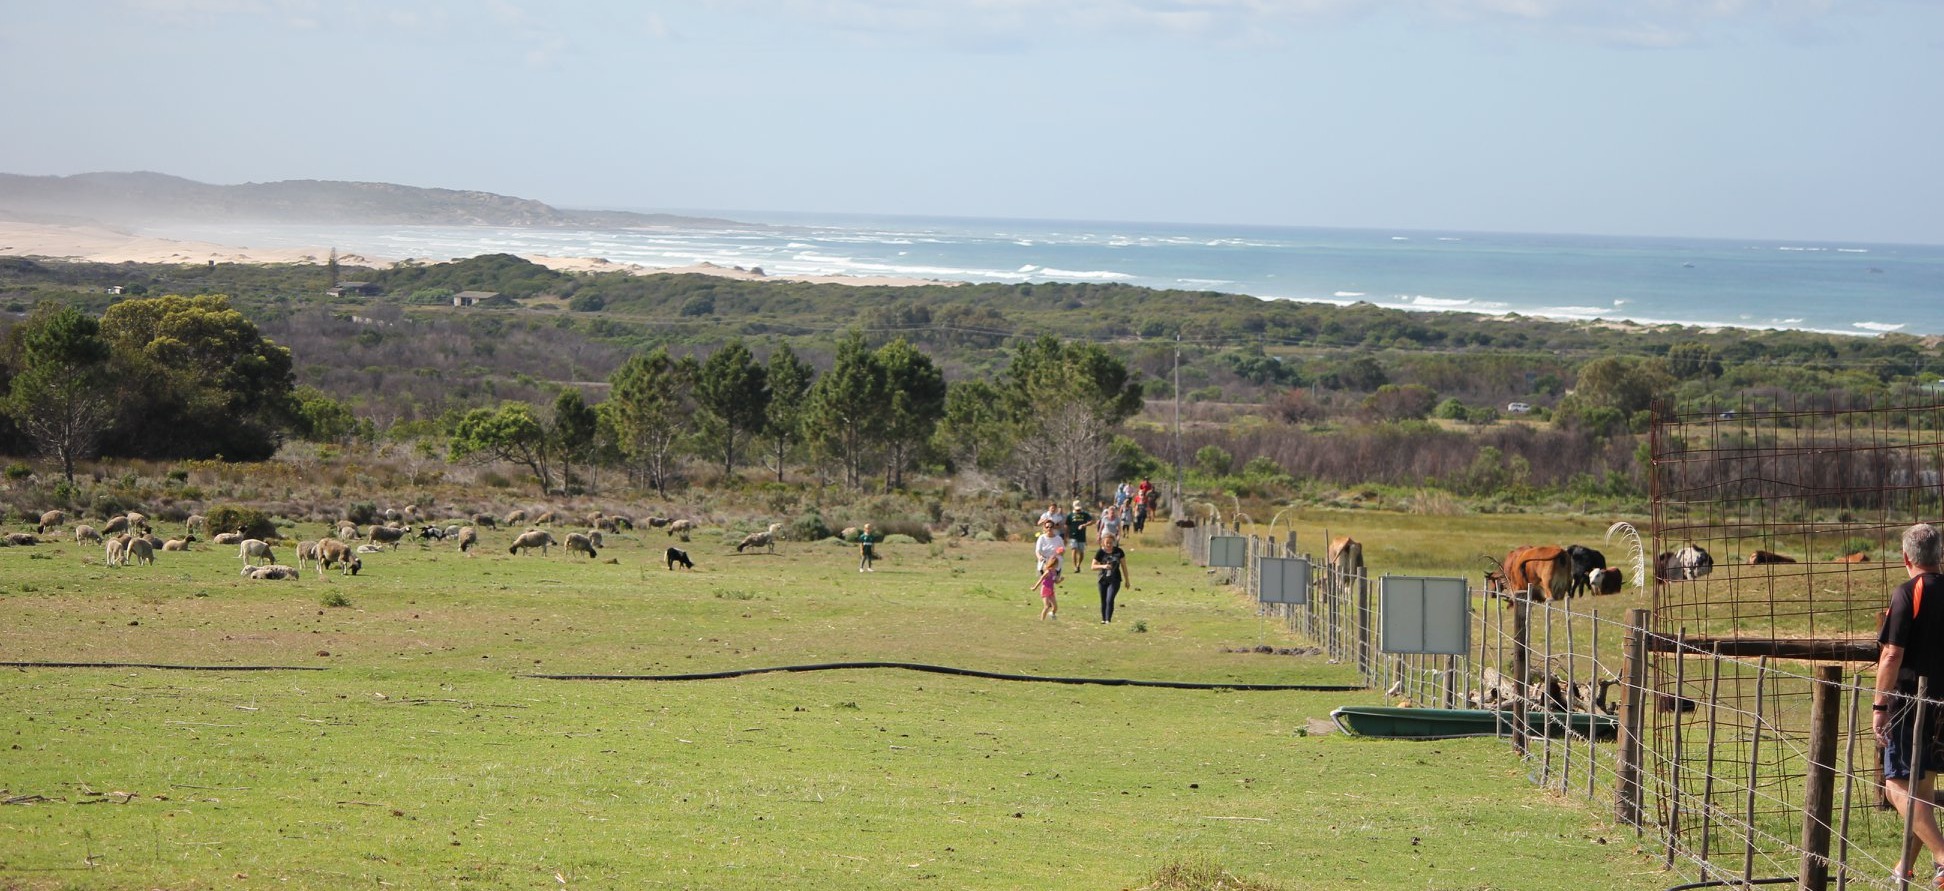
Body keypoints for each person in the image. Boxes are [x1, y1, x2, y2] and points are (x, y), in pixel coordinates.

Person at [1874, 523, 1944, 887]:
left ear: (1906, 557)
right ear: (1939, 555)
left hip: (1910, 704)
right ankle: (1906, 866)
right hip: (1942, 705)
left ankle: (1943, 857)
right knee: (1922, 790)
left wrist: (1880, 705)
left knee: (1897, 788)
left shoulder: (1907, 592)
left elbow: (1891, 654)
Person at [1092, 532, 1132, 623]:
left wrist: (1127, 580)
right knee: (1103, 600)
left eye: (1111, 543)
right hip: (1102, 579)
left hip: (1115, 579)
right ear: (1103, 542)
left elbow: (1124, 566)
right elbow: (1093, 567)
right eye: (1107, 543)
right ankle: (1103, 619)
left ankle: (1108, 620)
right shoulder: (1100, 552)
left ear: (1114, 542)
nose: (1109, 545)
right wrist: (1103, 566)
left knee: (1110, 599)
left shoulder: (1119, 552)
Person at [1033, 549, 1063, 620]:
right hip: (1045, 590)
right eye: (1056, 564)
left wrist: (1060, 580)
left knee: (1055, 607)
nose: (1057, 565)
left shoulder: (1055, 572)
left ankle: (1052, 614)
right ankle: (1042, 620)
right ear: (1053, 564)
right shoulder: (1047, 572)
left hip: (1051, 590)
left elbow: (1056, 582)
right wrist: (1035, 587)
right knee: (1046, 606)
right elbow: (1041, 579)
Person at [1065, 500, 1093, 571]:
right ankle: (1075, 566)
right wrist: (1066, 536)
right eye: (1077, 509)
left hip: (1082, 536)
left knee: (1081, 552)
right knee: (1074, 549)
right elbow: (1067, 526)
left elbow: (1091, 521)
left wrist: (1084, 525)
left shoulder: (1085, 514)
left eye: (1079, 509)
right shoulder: (1070, 515)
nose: (1078, 510)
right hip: (1073, 535)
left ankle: (1078, 565)